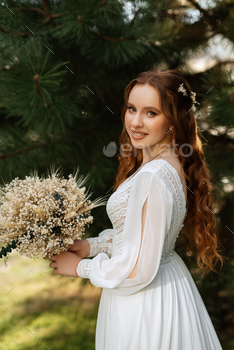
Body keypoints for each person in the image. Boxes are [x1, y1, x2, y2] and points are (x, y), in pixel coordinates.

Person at [45, 69, 224, 349]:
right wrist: (92, 246)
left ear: (173, 120)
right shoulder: (170, 163)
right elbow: (143, 238)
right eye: (131, 109)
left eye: (151, 113)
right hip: (168, 281)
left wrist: (80, 267)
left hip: (145, 299)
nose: (136, 122)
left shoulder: (153, 176)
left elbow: (139, 269)